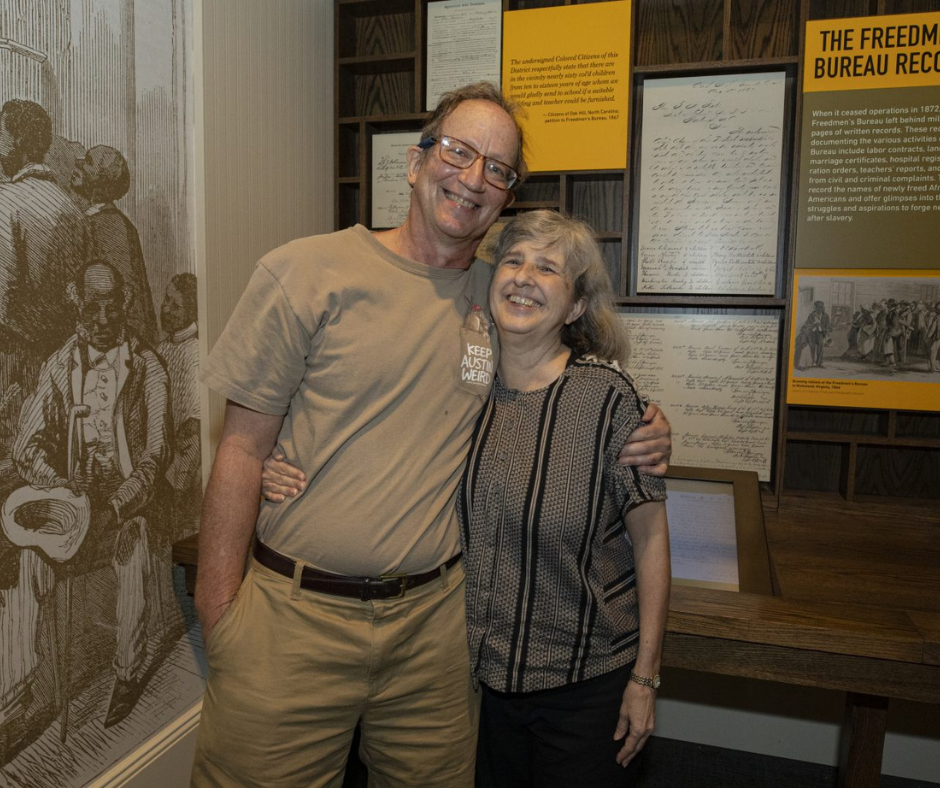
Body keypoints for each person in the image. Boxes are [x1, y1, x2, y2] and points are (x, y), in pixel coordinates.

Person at [192, 82, 670, 788]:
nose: (474, 177)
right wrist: (219, 612)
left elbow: (565, 375)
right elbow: (239, 448)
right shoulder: (304, 273)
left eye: (498, 169)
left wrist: (647, 424)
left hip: (438, 634)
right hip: (292, 621)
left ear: (505, 198)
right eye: (458, 151)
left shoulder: (497, 292)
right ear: (416, 163)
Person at [11, 260, 172, 727]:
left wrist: (117, 505)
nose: (102, 321)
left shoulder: (148, 368)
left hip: (130, 503)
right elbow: (25, 447)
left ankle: (126, 669)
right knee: (29, 556)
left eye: (111, 307)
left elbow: (154, 457)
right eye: (92, 307)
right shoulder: (59, 366)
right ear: (76, 302)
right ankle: (25, 686)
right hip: (75, 500)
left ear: (124, 304)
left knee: (132, 544)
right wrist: (59, 484)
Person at [0, 99, 88, 460]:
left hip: (15, 351)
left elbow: (2, 292)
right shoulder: (70, 206)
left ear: (19, 141)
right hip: (62, 350)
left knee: (13, 443)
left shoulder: (8, 201)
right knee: (50, 440)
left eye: (1, 134)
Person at [71, 145, 158, 344]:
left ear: (101, 181)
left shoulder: (111, 224)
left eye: (88, 162)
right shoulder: (91, 219)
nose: (79, 164)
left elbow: (126, 299)